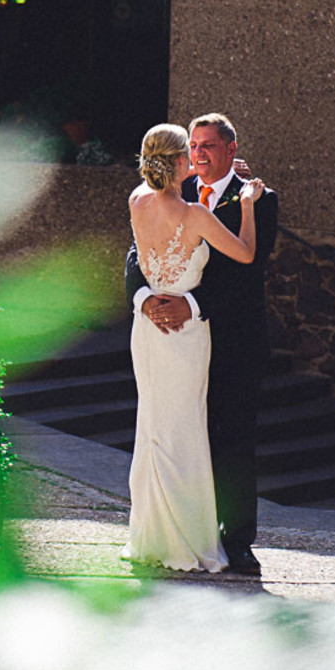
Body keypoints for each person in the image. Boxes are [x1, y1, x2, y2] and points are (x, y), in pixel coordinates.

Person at [125, 113, 279, 576]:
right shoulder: (176, 193)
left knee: (232, 442)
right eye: (193, 146)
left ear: (232, 149)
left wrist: (190, 305)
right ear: (180, 156)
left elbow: (247, 273)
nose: (199, 154)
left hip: (231, 341)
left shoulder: (262, 199)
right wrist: (144, 297)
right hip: (169, 334)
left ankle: (237, 541)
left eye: (209, 145)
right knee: (176, 433)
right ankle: (183, 532)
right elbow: (136, 254)